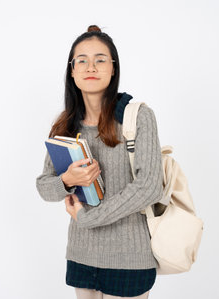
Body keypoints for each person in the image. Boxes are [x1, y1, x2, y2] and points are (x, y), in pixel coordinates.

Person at [35, 25, 164, 299]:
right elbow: (44, 187)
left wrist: (88, 217)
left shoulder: (138, 117)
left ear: (113, 68)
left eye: (100, 59)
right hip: (81, 255)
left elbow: (150, 186)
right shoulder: (66, 123)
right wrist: (69, 180)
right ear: (72, 70)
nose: (90, 66)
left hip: (129, 259)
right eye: (81, 60)